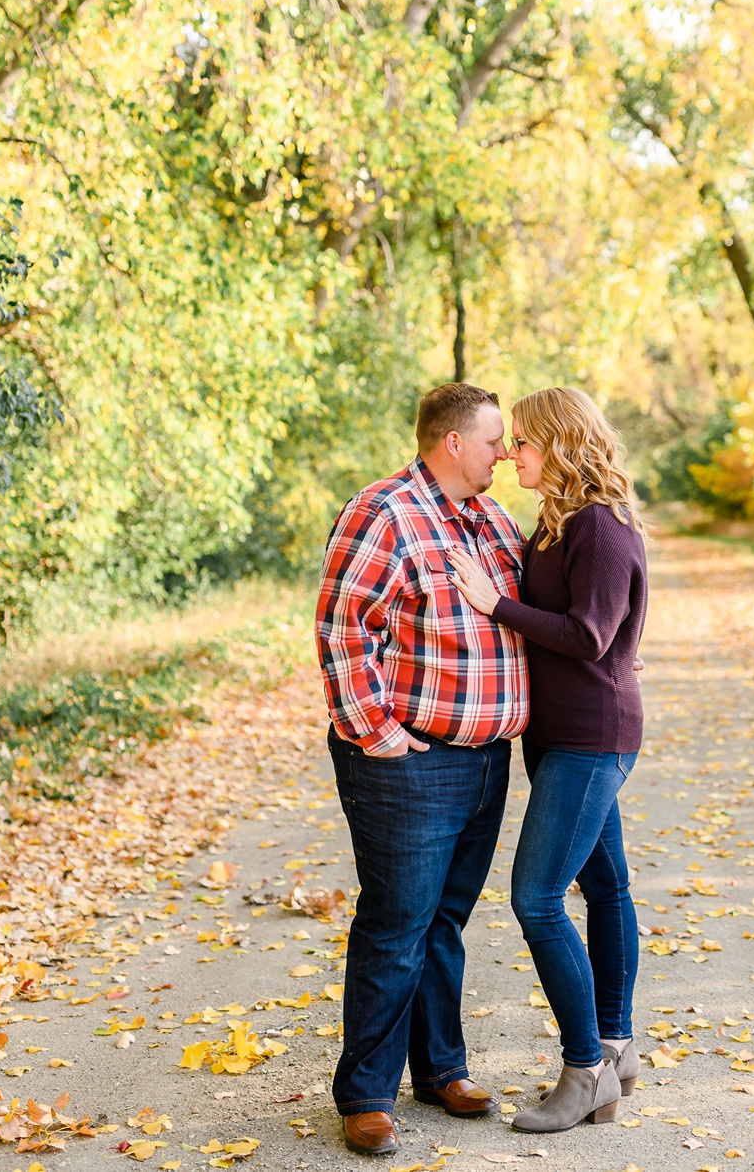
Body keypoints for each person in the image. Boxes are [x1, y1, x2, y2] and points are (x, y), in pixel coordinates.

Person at [315, 383, 529, 1156]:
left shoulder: (494, 522)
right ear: (451, 442)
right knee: (397, 924)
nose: (504, 452)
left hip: (486, 762)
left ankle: (440, 1069)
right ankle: (366, 1094)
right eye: (495, 439)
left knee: (445, 922)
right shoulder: (385, 512)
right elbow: (345, 629)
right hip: (410, 761)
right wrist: (380, 735)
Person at [446, 386, 648, 1134]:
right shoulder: (561, 523)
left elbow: (591, 633)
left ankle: (587, 1066)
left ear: (559, 445)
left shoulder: (599, 524)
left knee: (535, 898)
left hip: (591, 737)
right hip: (566, 735)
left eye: (521, 442)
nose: (509, 453)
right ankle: (618, 1046)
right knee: (605, 885)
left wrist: (493, 601)